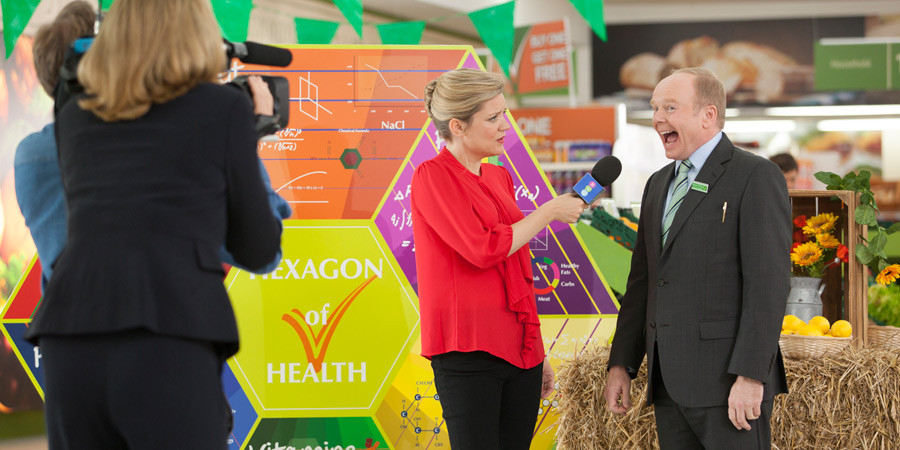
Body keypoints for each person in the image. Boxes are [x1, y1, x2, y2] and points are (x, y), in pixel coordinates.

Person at [22, 0, 281, 448]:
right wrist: (250, 133)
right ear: (197, 32)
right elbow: (258, 250)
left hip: (68, 339)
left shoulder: (76, 113)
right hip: (167, 334)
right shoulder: (221, 109)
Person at [15, 1, 290, 294]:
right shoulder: (153, 144)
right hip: (161, 322)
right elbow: (258, 253)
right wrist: (243, 134)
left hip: (64, 326)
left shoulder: (29, 157)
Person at [603, 67, 790, 450]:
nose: (658, 118)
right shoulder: (658, 183)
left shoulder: (756, 175)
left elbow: (767, 286)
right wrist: (621, 362)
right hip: (669, 386)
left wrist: (751, 376)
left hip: (729, 385)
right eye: (655, 107)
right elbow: (643, 282)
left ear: (708, 115)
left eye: (670, 107)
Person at [410, 68, 590, 449]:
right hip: (468, 350)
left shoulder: (499, 178)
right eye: (493, 118)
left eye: (504, 114)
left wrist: (536, 350)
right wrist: (547, 213)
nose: (505, 126)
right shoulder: (432, 175)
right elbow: (482, 249)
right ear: (457, 126)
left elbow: (519, 272)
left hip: (519, 350)